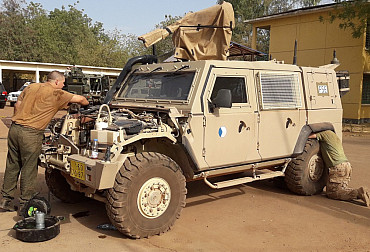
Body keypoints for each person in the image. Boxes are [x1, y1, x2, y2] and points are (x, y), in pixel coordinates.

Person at [0, 71, 89, 213]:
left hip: (15, 129)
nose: (64, 85)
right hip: (31, 133)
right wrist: (87, 104)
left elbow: (17, 105)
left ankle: (6, 200)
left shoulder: (31, 87)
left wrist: (21, 118)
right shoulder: (57, 94)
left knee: (12, 164)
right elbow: (80, 99)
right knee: (29, 166)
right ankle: (26, 202)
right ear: (56, 82)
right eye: (63, 82)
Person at [310, 130, 370, 207]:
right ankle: (364, 194)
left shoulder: (324, 133)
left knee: (333, 193)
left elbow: (311, 136)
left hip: (338, 167)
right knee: (341, 188)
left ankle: (358, 193)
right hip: (346, 165)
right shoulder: (334, 136)